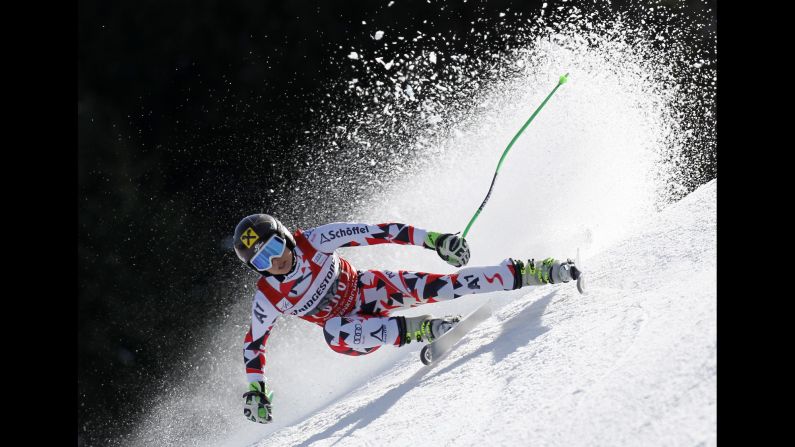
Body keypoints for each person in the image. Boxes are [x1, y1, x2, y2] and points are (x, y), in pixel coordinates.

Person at [234, 214, 581, 424]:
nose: (275, 262)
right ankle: (422, 329)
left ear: (287, 238)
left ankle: (537, 271)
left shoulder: (315, 240)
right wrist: (256, 390)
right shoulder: (269, 295)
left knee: (448, 286)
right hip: (357, 333)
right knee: (333, 330)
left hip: (371, 289)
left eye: (275, 248)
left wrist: (436, 241)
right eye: (262, 261)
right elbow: (254, 344)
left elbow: (380, 231)